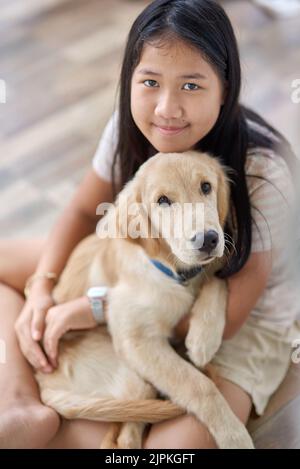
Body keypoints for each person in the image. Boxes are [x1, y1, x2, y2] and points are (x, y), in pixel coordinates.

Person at [0, 0, 299, 449]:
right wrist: (41, 290)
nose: (167, 108)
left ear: (226, 88)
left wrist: (98, 309)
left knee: (167, 453)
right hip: (143, 272)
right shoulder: (128, 124)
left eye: (192, 85)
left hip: (238, 323)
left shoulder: (261, 173)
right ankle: (19, 398)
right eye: (150, 82)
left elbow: (230, 321)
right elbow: (83, 213)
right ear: (130, 82)